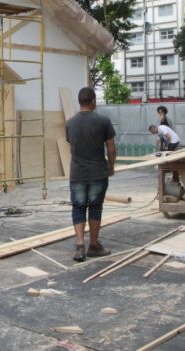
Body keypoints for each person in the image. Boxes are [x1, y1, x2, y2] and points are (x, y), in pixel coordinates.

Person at [65, 87, 116, 262]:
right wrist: (111, 167)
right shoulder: (103, 121)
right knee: (95, 207)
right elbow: (111, 148)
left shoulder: (70, 123)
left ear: (80, 102)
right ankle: (93, 244)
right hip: (97, 173)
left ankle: (80, 246)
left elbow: (72, 147)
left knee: (78, 207)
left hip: (77, 173)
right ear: (93, 101)